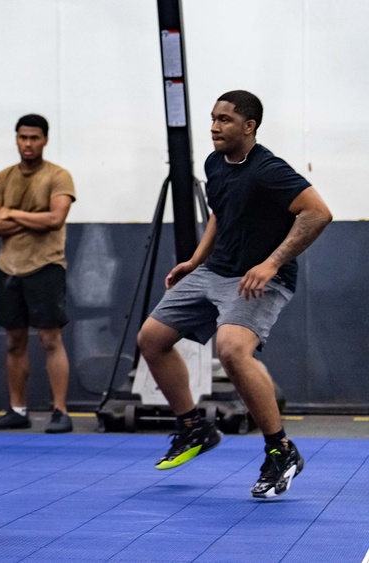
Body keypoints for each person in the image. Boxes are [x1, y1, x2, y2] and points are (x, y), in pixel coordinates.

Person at [137, 90, 332, 498]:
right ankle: (193, 427)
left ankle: (280, 450)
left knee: (231, 348)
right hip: (214, 270)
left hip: (259, 279)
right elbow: (219, 213)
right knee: (151, 339)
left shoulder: (269, 170)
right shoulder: (215, 163)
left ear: (249, 126)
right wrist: (195, 259)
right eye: (212, 118)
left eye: (224, 120)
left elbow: (318, 212)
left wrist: (272, 263)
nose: (213, 127)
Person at [0, 114, 76, 433]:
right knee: (14, 341)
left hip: (46, 265)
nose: (28, 144)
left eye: (34, 138)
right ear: (16, 139)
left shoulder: (59, 176)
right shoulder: (2, 178)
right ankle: (17, 408)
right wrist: (30, 217)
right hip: (8, 267)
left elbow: (55, 219)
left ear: (45, 139)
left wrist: (12, 212)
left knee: (51, 339)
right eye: (23, 137)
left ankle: (60, 411)